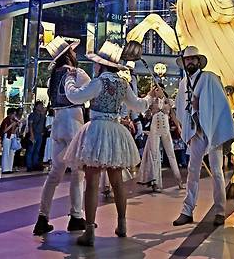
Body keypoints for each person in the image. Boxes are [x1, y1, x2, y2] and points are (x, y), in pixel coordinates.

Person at [62, 41, 152, 246]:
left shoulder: (99, 82)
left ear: (101, 64)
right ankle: (122, 224)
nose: (94, 66)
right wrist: (149, 96)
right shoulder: (123, 83)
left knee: (92, 182)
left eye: (96, 63)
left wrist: (69, 80)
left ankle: (90, 231)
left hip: (96, 131)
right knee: (117, 182)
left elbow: (75, 97)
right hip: (115, 131)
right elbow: (138, 106)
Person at [172, 46, 234, 228]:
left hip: (211, 131)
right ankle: (187, 210)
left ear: (198, 61)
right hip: (196, 133)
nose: (190, 62)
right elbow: (181, 107)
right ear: (184, 63)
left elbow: (220, 104)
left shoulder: (209, 78)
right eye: (187, 59)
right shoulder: (183, 83)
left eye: (193, 59)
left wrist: (199, 104)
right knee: (192, 172)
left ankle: (220, 211)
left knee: (216, 171)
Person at [33, 37, 88, 236]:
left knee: (55, 173)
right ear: (67, 55)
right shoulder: (77, 73)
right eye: (72, 51)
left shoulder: (53, 77)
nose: (75, 53)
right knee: (78, 172)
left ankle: (42, 217)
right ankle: (76, 216)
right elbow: (92, 91)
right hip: (73, 122)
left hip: (57, 124)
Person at [26, 101, 46, 172]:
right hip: (34, 133)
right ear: (36, 107)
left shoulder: (42, 115)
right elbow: (30, 125)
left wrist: (42, 132)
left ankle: (35, 164)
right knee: (31, 150)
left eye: (42, 105)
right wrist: (31, 135)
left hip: (40, 134)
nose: (41, 107)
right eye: (40, 105)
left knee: (37, 150)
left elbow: (43, 125)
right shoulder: (32, 115)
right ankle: (29, 166)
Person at [0, 108, 20, 174]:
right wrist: (11, 125)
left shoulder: (14, 120)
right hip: (7, 136)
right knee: (6, 152)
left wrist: (17, 125)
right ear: (10, 114)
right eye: (13, 114)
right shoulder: (6, 120)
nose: (14, 116)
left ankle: (10, 168)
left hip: (13, 136)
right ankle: (5, 169)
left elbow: (15, 130)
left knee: (12, 153)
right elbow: (4, 131)